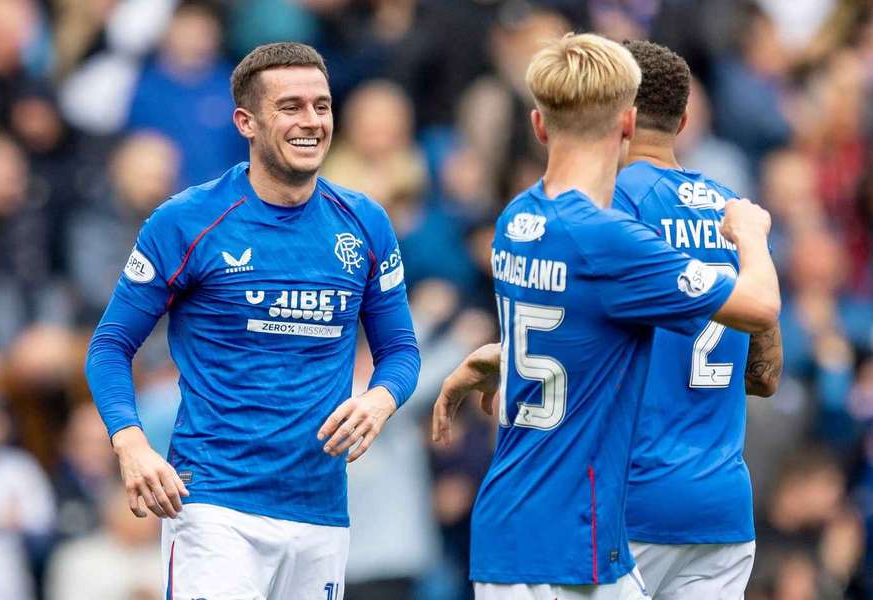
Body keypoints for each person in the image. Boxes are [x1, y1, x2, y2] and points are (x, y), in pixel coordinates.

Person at [431, 32, 780, 599]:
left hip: (584, 520)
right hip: (660, 510)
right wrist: (754, 237)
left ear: (539, 125)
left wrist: (508, 357)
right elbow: (763, 354)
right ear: (650, 119)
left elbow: (575, 324)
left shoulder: (518, 219)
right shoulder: (686, 218)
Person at [85, 42, 420, 600]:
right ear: (247, 121)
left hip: (321, 511)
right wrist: (132, 444)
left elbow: (402, 349)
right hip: (215, 507)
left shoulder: (365, 222)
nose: (311, 121)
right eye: (290, 107)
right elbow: (109, 346)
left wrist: (380, 399)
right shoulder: (187, 221)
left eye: (322, 105)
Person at [613, 40, 782, 600]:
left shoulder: (612, 204)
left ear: (619, 115)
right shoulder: (735, 210)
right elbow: (765, 375)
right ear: (684, 120)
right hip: (722, 509)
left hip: (630, 504)